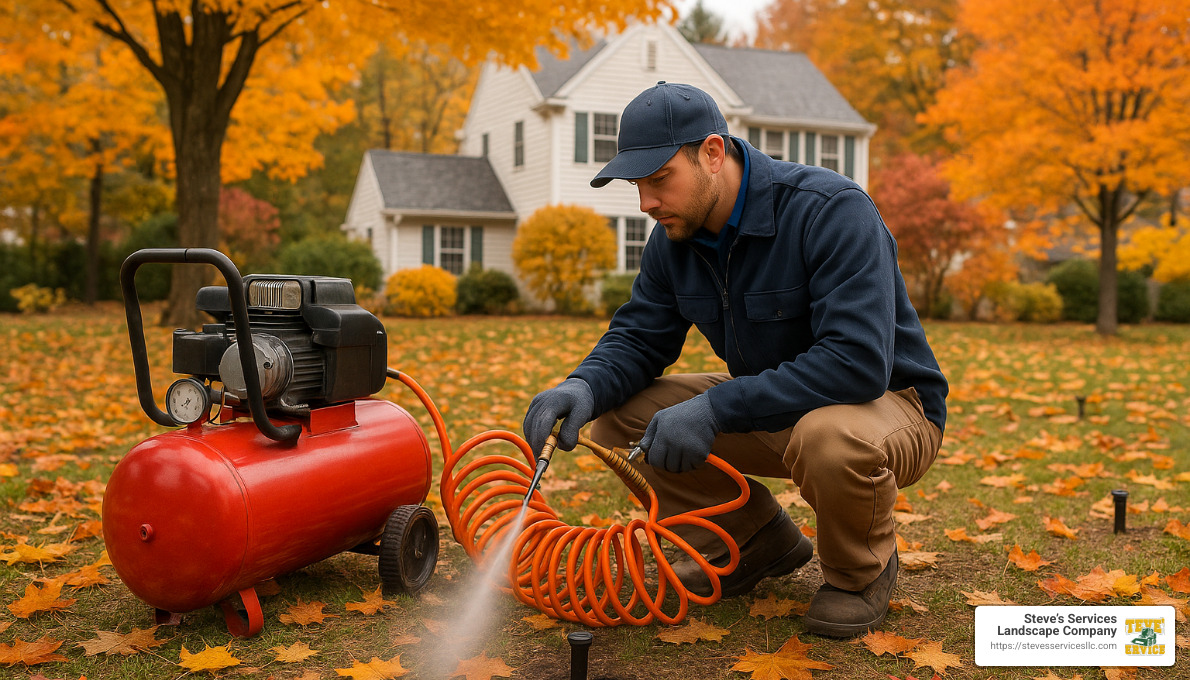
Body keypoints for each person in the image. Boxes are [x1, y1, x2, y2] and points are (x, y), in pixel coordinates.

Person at [522, 81, 947, 638]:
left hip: (889, 406)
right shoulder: (675, 238)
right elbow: (639, 337)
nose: (646, 203)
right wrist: (583, 386)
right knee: (618, 416)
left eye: (659, 179)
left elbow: (856, 363)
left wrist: (716, 408)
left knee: (828, 436)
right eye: (637, 185)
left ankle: (859, 574)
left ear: (713, 153)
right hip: (777, 407)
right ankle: (751, 541)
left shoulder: (830, 210)